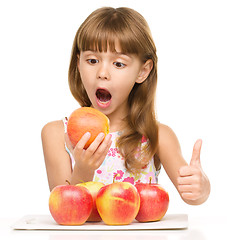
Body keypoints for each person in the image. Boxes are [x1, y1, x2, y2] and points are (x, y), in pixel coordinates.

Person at [41, 7, 210, 205]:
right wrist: (83, 169)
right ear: (78, 64)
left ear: (143, 71)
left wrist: (201, 187)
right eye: (92, 60)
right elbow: (64, 207)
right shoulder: (57, 134)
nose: (102, 73)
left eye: (119, 64)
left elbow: (191, 195)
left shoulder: (157, 136)